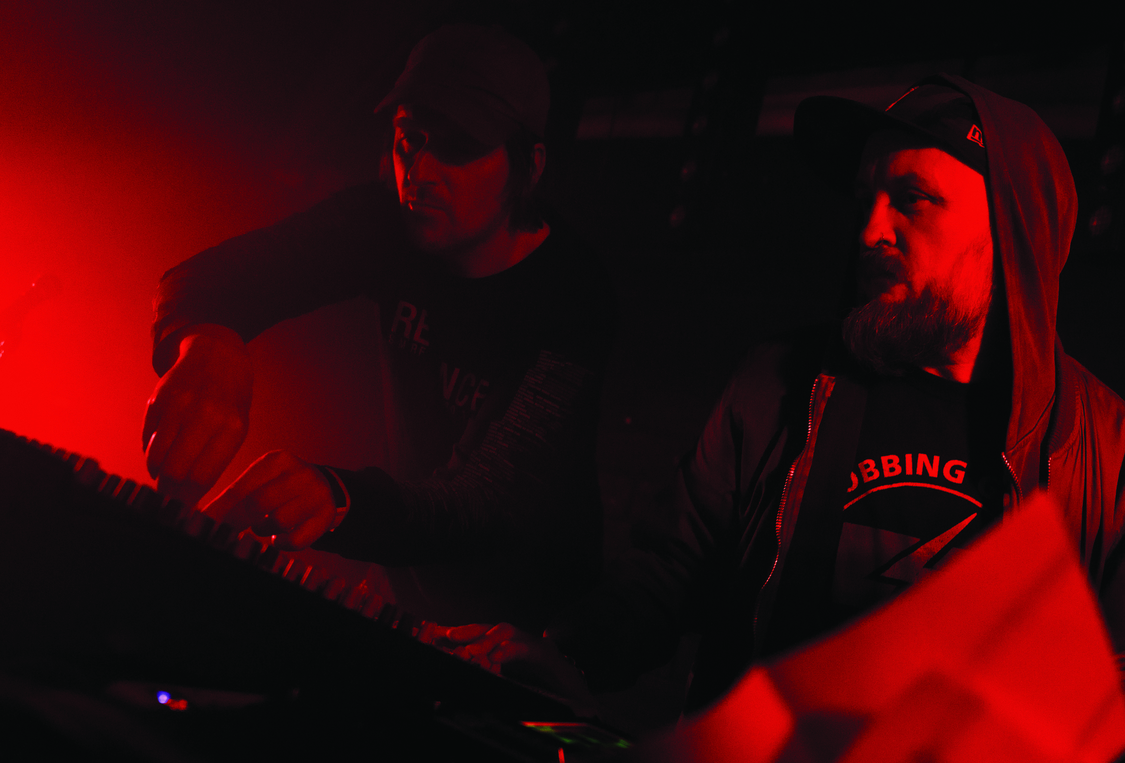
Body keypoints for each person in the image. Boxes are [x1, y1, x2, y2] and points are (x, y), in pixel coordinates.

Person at [443, 74, 1125, 711]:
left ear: (1014, 234)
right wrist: (567, 655)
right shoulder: (778, 382)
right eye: (864, 199)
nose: (870, 231)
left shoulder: (1103, 449)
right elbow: (670, 569)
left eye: (912, 199)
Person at [142, 23, 616, 633]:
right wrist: (212, 344)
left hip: (528, 631)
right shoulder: (386, 224)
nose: (421, 170)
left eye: (460, 147)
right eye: (409, 140)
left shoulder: (574, 297)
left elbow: (486, 499)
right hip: (404, 592)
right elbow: (202, 279)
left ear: (529, 166)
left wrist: (338, 499)